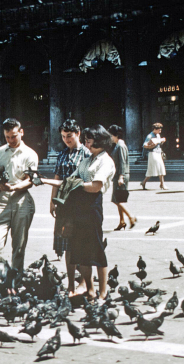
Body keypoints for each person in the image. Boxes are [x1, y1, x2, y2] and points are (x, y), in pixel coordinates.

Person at [36, 119, 91, 296]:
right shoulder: (61, 154)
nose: (66, 139)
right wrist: (52, 200)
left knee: (81, 244)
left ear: (78, 134)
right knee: (67, 245)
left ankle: (84, 282)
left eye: (69, 136)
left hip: (81, 204)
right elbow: (57, 178)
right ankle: (70, 284)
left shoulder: (87, 154)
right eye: (63, 137)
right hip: (63, 204)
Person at [68, 125, 115, 303]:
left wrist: (77, 184)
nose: (86, 142)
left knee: (96, 248)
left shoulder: (106, 160)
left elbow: (96, 186)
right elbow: (72, 178)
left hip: (93, 206)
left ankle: (103, 291)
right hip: (79, 205)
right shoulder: (87, 160)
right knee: (80, 251)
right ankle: (90, 289)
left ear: (99, 141)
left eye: (89, 139)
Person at [0, 118, 38, 278]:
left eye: (14, 136)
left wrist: (14, 187)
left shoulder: (30, 154)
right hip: (1, 202)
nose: (10, 140)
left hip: (21, 200)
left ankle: (15, 283)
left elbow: (30, 181)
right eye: (7, 137)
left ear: (21, 132)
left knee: (19, 247)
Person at [108, 125, 137, 230]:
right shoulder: (118, 145)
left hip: (121, 175)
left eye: (110, 135)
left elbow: (123, 162)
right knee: (119, 198)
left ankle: (130, 217)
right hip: (118, 175)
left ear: (115, 135)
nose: (110, 137)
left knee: (117, 199)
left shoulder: (120, 146)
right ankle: (122, 221)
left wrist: (121, 176)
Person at [140, 122, 168, 190]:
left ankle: (161, 184)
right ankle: (161, 184)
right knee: (154, 169)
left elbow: (158, 143)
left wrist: (161, 141)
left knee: (159, 168)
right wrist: (152, 145)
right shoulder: (150, 136)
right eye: (159, 130)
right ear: (155, 129)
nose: (160, 131)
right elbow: (144, 145)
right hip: (153, 153)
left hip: (158, 153)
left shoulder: (158, 135)